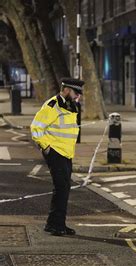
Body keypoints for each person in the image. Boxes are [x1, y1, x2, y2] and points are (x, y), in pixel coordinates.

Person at [30, 78, 84, 236]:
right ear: (66, 90)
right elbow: (36, 128)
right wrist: (47, 148)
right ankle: (55, 224)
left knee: (64, 189)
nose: (78, 96)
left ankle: (56, 223)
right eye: (76, 93)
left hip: (66, 153)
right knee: (61, 188)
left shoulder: (68, 106)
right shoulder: (52, 105)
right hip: (56, 153)